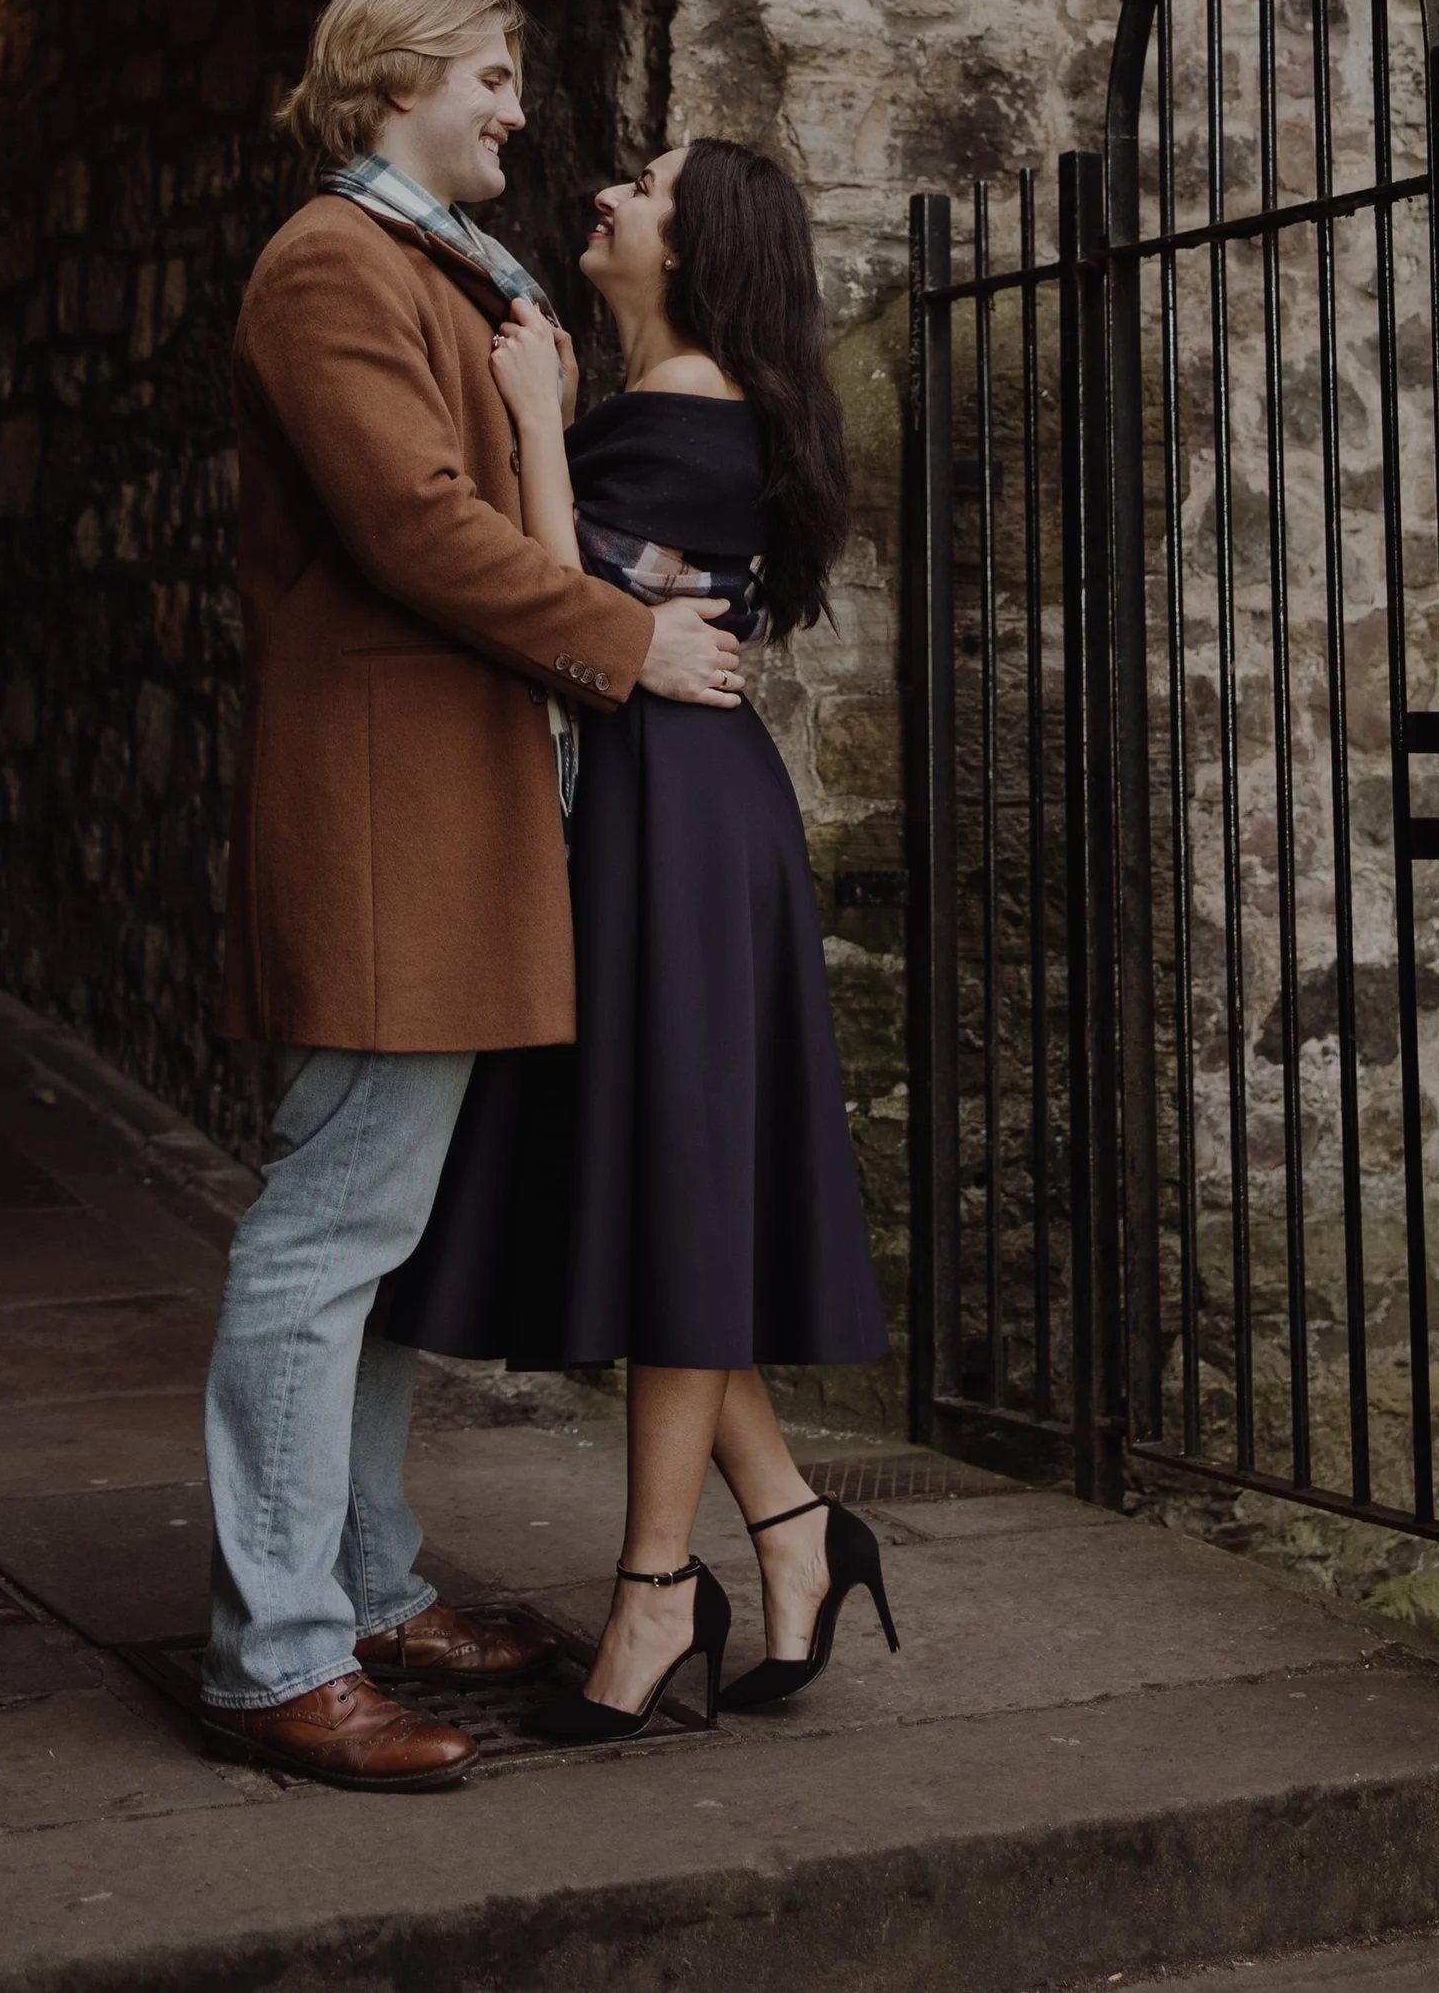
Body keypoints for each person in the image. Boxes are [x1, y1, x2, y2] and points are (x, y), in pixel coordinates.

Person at [197, 0, 752, 1791]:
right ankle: (277, 1653)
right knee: (326, 1231)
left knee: (379, 1236)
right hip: (387, 824)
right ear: (395, 77)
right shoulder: (328, 265)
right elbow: (414, 527)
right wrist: (628, 642)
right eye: (497, 76)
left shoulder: (444, 266)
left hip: (457, 818)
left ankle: (365, 1587)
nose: (521, 108)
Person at [380, 138, 896, 1743]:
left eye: (647, 186)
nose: (608, 193)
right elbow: (597, 615)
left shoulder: (689, 415)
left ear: (698, 244)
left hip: (674, 833)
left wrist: (532, 421)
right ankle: (798, 1531)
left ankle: (656, 1587)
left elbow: (551, 604)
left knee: (678, 1196)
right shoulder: (691, 407)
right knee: (673, 1194)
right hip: (668, 821)